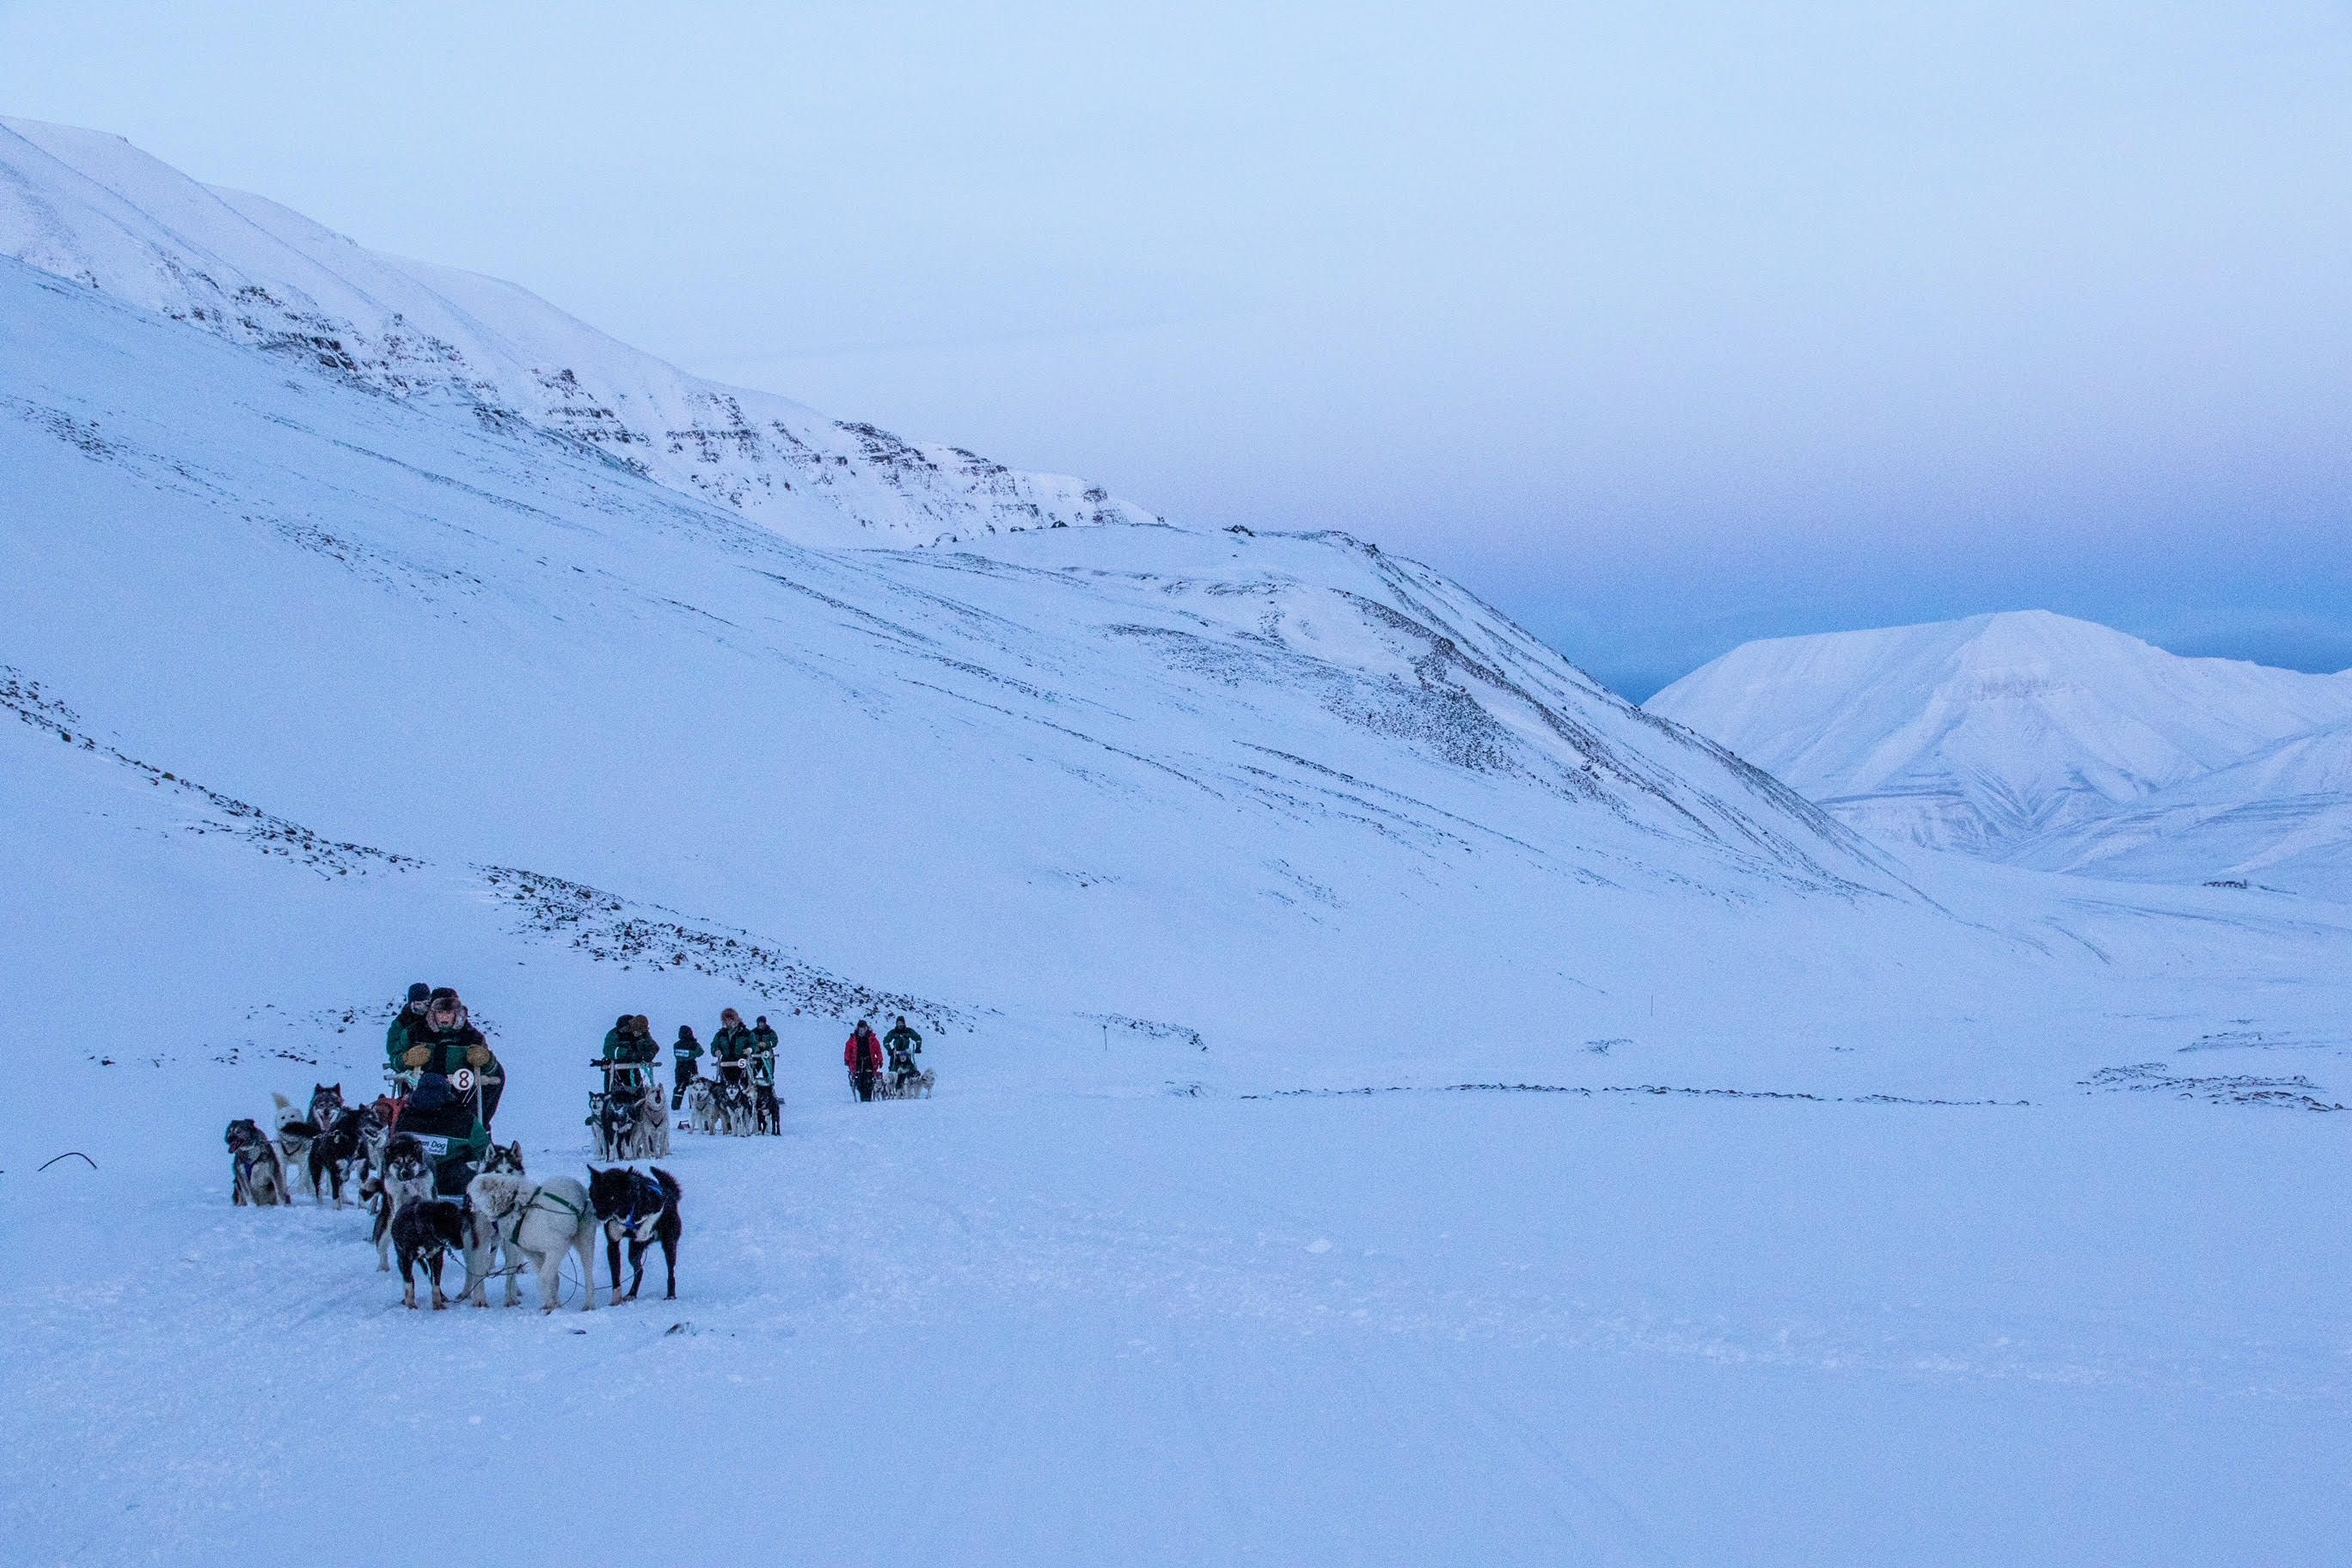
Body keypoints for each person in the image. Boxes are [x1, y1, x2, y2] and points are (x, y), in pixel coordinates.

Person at [399, 988, 495, 1189]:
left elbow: (495, 1072)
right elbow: (396, 1059)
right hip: (420, 1099)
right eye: (440, 1012)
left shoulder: (471, 1037)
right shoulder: (415, 1032)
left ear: (456, 1013)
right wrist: (406, 1058)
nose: (444, 1017)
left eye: (448, 1012)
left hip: (459, 1100)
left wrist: (485, 1060)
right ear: (432, 1013)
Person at [384, 982, 432, 1085]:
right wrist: (406, 1057)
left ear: (427, 1003)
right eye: (412, 1004)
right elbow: (392, 1047)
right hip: (410, 1072)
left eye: (419, 1004)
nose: (415, 1007)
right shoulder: (401, 1022)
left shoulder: (436, 1019)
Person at [710, 1008, 756, 1091]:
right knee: (725, 1084)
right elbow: (714, 1045)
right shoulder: (720, 1034)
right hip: (726, 1062)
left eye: (731, 1020)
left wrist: (750, 1049)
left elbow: (754, 1044)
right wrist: (716, 1050)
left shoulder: (746, 1033)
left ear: (736, 1019)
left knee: (743, 1084)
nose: (729, 1022)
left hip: (741, 1061)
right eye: (726, 1020)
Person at [749, 1015, 781, 1133]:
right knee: (753, 1075)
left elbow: (775, 1041)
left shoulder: (770, 1032)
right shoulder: (753, 1032)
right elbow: (750, 1041)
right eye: (759, 1023)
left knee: (768, 1076)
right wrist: (757, 1046)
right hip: (756, 1056)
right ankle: (754, 1090)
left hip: (767, 1056)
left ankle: (770, 1091)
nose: (761, 1025)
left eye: (762, 1023)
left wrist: (767, 1044)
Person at [844, 1020, 884, 1102]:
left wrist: (880, 1059)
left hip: (869, 1062)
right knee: (859, 1082)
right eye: (860, 1030)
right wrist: (847, 1059)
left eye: (863, 1029)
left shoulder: (872, 1038)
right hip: (857, 1063)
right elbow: (848, 1049)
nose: (861, 1031)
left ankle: (868, 1098)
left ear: (866, 1028)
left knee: (868, 1081)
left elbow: (878, 1049)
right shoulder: (853, 1039)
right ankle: (863, 1097)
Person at [670, 1021, 703, 1111]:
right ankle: (693, 1106)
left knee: (680, 1088)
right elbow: (700, 1052)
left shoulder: (677, 1044)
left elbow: (679, 1055)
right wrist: (692, 1054)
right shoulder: (693, 1044)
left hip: (680, 1068)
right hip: (691, 1067)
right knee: (693, 1087)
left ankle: (676, 1107)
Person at [884, 1014, 923, 1088]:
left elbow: (918, 1038)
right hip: (896, 1053)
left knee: (910, 1068)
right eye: (898, 1023)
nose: (900, 1025)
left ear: (904, 1023)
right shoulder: (893, 1032)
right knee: (893, 1068)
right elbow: (886, 1041)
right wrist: (889, 1049)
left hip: (906, 1053)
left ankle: (911, 1084)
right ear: (896, 1023)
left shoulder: (908, 1031)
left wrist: (918, 1048)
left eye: (901, 1023)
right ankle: (894, 1086)